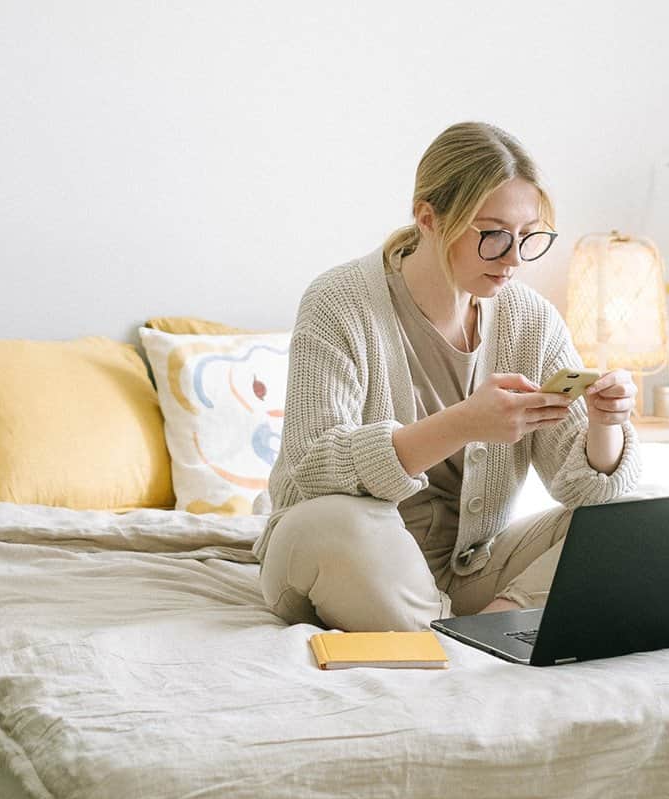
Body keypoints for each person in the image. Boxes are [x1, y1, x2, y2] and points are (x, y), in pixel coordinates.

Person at [254, 122, 642, 632]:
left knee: (634, 516)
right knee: (337, 522)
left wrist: (604, 424)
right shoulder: (339, 302)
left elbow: (587, 495)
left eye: (528, 238)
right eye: (494, 235)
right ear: (429, 219)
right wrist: (462, 423)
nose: (513, 259)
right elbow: (312, 467)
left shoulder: (531, 320)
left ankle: (483, 631)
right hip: (339, 554)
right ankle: (459, 633)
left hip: (471, 569)